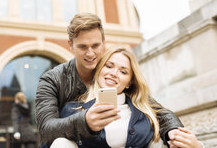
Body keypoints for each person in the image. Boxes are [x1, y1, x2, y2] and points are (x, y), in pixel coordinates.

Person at [35, 13, 184, 147]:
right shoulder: (52, 80)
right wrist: (85, 122)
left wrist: (175, 131)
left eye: (95, 45)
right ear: (70, 45)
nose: (90, 53)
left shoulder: (108, 71)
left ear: (103, 42)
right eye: (83, 47)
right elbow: (46, 130)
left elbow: (155, 109)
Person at [56, 44, 203, 148]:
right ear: (99, 69)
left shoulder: (143, 109)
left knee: (164, 141)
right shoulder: (73, 108)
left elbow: (165, 116)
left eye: (123, 71)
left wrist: (196, 146)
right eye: (109, 66)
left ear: (129, 83)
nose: (114, 73)